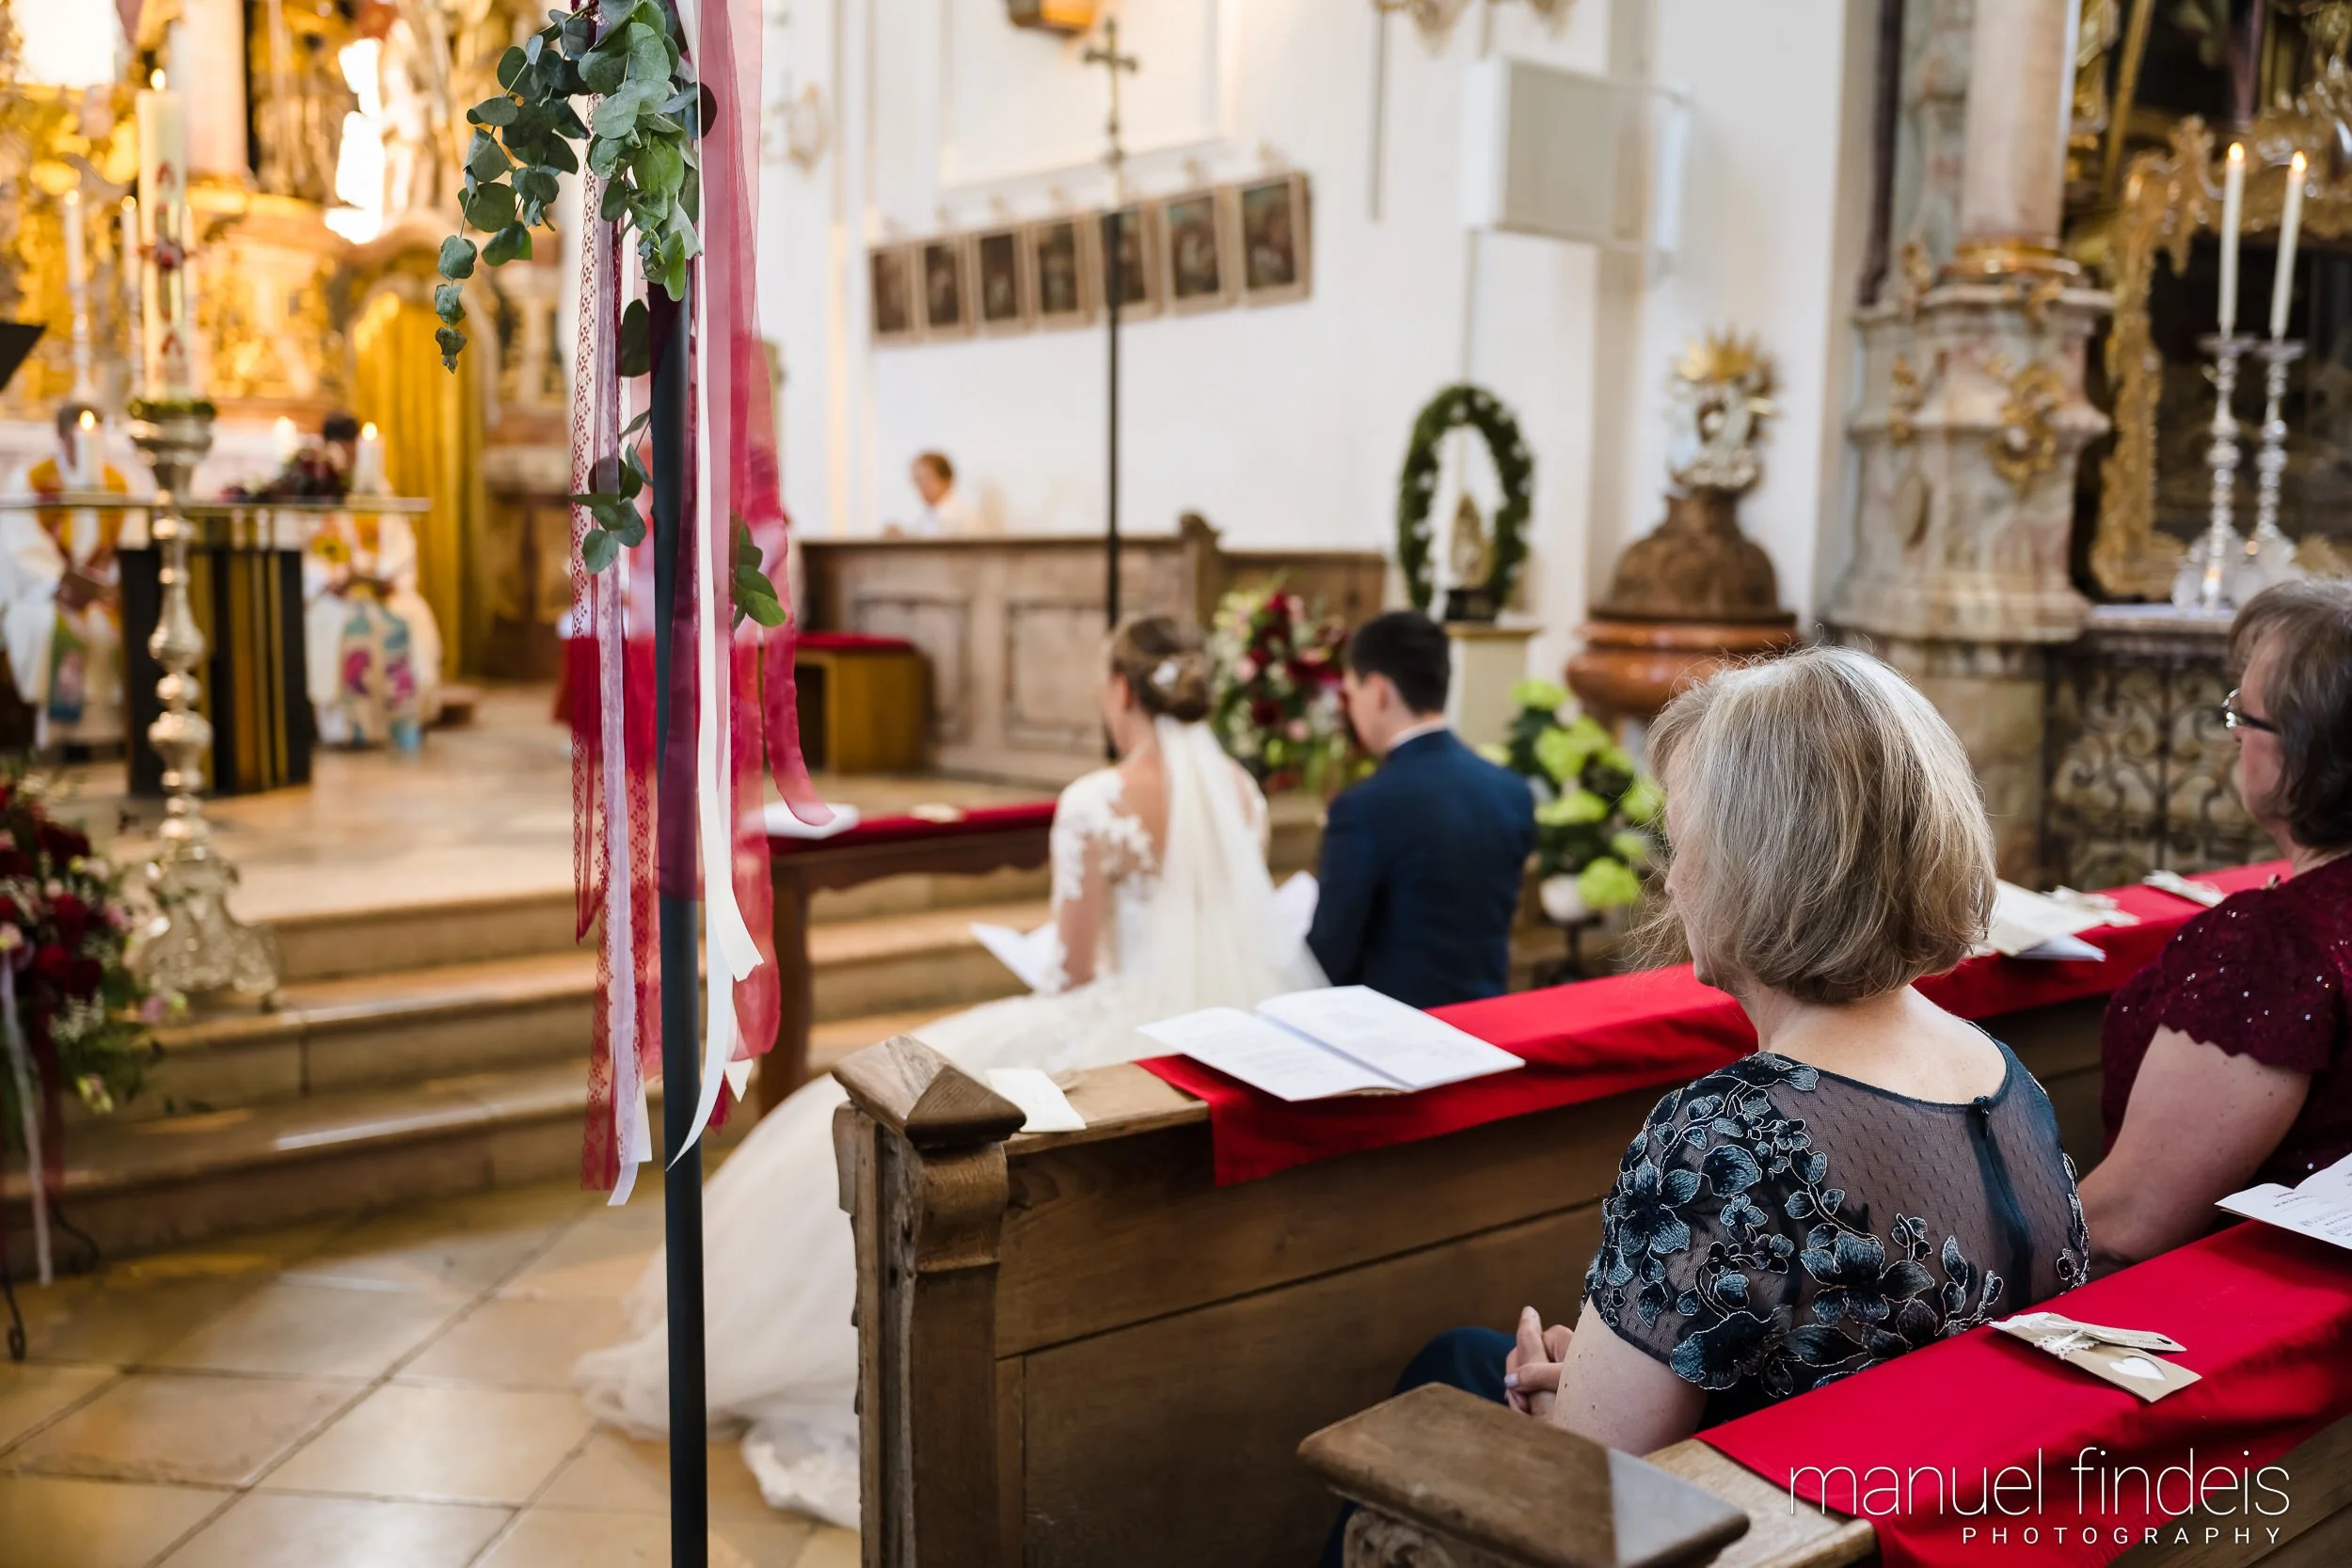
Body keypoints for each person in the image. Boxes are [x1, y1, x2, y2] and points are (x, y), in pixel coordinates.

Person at [1326, 649, 2087, 1562]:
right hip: (1941, 1512)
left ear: (1758, 867)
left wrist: (1552, 1405)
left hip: (1789, 1539)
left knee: (1451, 1372)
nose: (1675, 878)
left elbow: (1587, 1479)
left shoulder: (1729, 1133)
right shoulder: (2002, 1073)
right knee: (1465, 1350)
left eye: (1686, 843)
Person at [576, 614, 1325, 1526]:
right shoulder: (1239, 790)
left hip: (1112, 1009)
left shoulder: (1095, 799)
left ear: (1122, 690)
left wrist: (1039, 954)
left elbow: (1076, 967)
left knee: (881, 1109)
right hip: (1223, 1016)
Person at [2079, 580, 2352, 1275]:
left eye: (2246, 715)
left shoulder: (2275, 944)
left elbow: (2129, 1221)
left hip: (2224, 1302)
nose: (2232, 732)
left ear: (2312, 752)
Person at [1307, 610, 1534, 1008]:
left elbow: (1330, 955)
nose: (1351, 708)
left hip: (1394, 1031)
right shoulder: (1511, 791)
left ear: (1378, 690)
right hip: (1486, 1025)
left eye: (1351, 692)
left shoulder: (1363, 808)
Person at [1, 404, 134, 749]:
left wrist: (109, 585)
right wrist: (56, 586)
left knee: (114, 628)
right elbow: (19, 544)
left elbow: (129, 543)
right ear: (61, 437)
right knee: (53, 626)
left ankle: (112, 741)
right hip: (44, 593)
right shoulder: (33, 480)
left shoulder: (116, 483)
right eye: (78, 435)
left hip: (102, 596)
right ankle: (58, 741)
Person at [302, 492, 443, 748]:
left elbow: (400, 553)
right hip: (331, 595)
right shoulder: (311, 499)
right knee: (333, 623)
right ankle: (342, 729)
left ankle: (401, 724)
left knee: (409, 617)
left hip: (384, 593)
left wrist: (382, 574)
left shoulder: (380, 499)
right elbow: (302, 555)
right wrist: (327, 578)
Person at [900, 451, 976, 537]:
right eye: (918, 480)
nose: (921, 486)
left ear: (946, 480)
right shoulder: (926, 518)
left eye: (926, 479)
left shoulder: (965, 519)